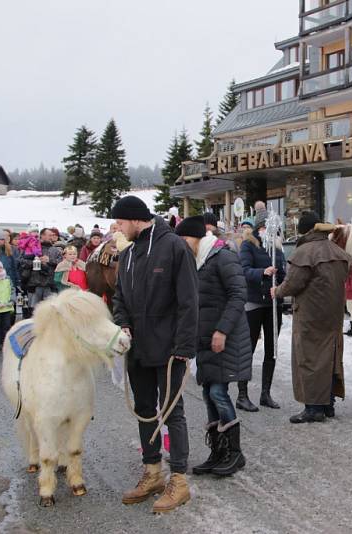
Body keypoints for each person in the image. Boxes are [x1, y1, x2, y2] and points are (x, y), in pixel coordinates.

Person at [111, 196, 198, 514]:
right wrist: (122, 324)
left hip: (170, 349)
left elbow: (190, 300)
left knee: (172, 412)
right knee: (144, 409)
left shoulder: (174, 247)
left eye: (120, 222)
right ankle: (152, 472)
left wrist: (185, 348)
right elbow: (119, 296)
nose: (117, 228)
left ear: (135, 219)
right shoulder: (129, 254)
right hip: (138, 349)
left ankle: (179, 480)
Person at [176, 216, 252, 476]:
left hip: (225, 338)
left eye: (184, 240)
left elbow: (239, 295)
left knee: (219, 392)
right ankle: (218, 451)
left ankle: (235, 453)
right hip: (205, 339)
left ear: (197, 237)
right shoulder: (196, 263)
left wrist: (222, 330)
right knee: (209, 393)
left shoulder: (223, 257)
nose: (182, 246)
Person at [272, 211, 349, 423]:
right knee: (330, 358)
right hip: (333, 315)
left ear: (304, 230)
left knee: (310, 359)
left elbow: (293, 283)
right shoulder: (337, 250)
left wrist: (277, 291)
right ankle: (328, 404)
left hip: (310, 316)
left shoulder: (305, 251)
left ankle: (313, 409)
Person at [238, 210, 286, 411]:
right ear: (259, 228)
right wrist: (262, 273)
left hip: (274, 303)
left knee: (271, 349)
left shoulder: (277, 247)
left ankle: (265, 393)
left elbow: (283, 272)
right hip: (255, 302)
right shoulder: (248, 245)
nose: (270, 231)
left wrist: (281, 281)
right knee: (248, 348)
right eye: (266, 228)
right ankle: (242, 394)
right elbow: (244, 269)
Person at [19, 228, 59, 313]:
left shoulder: (55, 250)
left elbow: (61, 263)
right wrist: (36, 262)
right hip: (34, 285)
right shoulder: (30, 247)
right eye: (50, 235)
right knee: (33, 312)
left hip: (49, 285)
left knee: (49, 312)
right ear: (42, 235)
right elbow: (21, 261)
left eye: (53, 235)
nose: (52, 237)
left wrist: (50, 260)